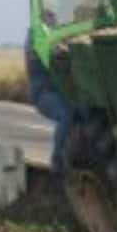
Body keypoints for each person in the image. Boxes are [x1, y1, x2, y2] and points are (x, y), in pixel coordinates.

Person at [24, 29, 74, 173]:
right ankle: (56, 160)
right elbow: (44, 57)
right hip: (44, 91)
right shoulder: (36, 34)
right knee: (66, 116)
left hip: (60, 90)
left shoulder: (59, 30)